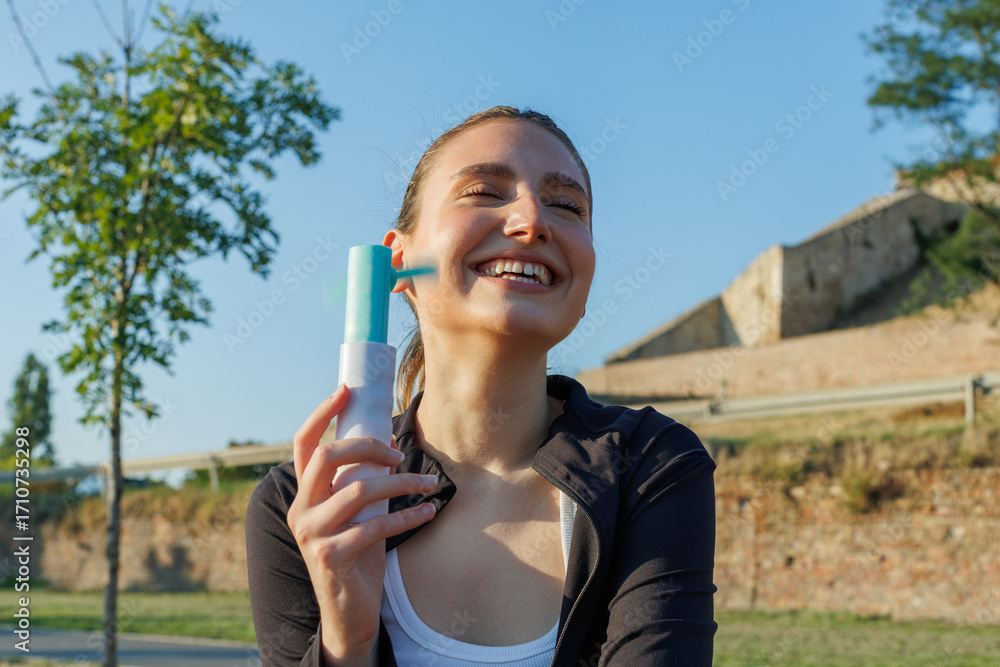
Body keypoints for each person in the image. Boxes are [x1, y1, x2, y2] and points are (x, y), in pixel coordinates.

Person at [245, 106, 718, 667]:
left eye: (567, 206)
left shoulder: (650, 465)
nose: (532, 221)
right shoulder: (302, 506)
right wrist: (347, 640)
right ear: (399, 261)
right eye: (483, 192)